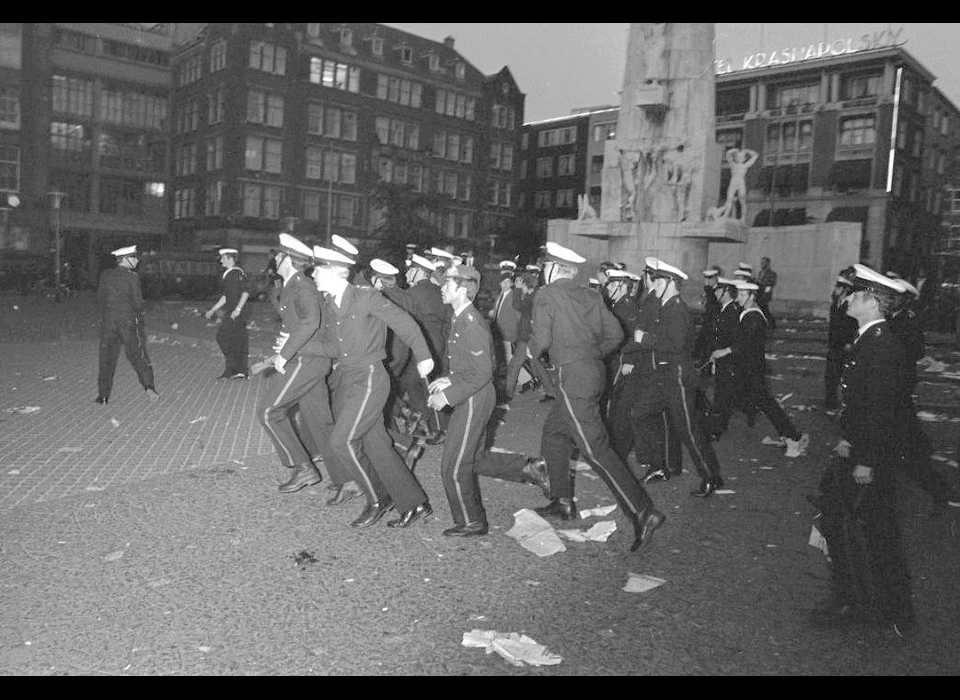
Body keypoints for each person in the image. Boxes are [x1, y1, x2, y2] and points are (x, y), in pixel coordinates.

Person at [525, 241, 666, 554]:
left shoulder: (547, 294)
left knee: (595, 448)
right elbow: (616, 335)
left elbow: (542, 340)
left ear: (553, 268)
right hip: (594, 373)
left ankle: (643, 511)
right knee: (555, 435)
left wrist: (531, 353)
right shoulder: (591, 294)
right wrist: (590, 356)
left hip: (572, 377)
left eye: (545, 266)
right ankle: (562, 501)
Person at [300, 245, 435, 529]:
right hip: (350, 379)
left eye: (319, 269)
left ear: (337, 271)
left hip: (371, 378)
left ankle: (378, 498)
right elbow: (332, 346)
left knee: (342, 441)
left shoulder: (367, 297)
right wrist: (293, 347)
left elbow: (406, 324)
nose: (314, 274)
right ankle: (415, 503)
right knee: (377, 444)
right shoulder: (330, 304)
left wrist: (423, 356)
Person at [811, 264, 914, 636]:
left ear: (872, 301)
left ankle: (887, 613)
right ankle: (853, 599)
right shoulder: (869, 338)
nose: (848, 298)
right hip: (856, 450)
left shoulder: (882, 344)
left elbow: (882, 409)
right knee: (844, 524)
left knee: (875, 535)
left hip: (869, 459)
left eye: (856, 294)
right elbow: (860, 404)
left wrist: (866, 459)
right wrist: (846, 437)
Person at [632, 260, 725, 497]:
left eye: (660, 280)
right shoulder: (664, 306)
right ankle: (658, 465)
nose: (656, 284)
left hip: (677, 378)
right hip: (663, 376)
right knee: (640, 413)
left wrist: (645, 339)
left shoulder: (677, 309)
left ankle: (710, 477)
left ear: (671, 283)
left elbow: (676, 344)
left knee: (688, 430)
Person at [256, 234, 337, 495]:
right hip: (311, 359)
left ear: (287, 258)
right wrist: (287, 336)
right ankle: (350, 478)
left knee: (269, 412)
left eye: (277, 256)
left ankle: (303, 468)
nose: (274, 260)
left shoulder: (301, 286)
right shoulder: (294, 284)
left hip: (305, 360)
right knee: (321, 422)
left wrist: (285, 353)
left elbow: (311, 321)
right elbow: (300, 321)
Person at [710, 279, 809, 457]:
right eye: (738, 293)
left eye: (742, 294)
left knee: (766, 404)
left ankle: (793, 436)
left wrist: (724, 351)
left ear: (752, 296)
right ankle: (790, 435)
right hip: (747, 369)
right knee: (758, 402)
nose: (738, 297)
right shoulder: (747, 312)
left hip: (752, 370)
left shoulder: (753, 315)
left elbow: (746, 343)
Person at [613, 258, 683, 484]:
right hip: (647, 362)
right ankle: (659, 462)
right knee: (645, 414)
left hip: (648, 364)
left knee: (637, 411)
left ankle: (657, 462)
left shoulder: (656, 302)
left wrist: (629, 353)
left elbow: (646, 335)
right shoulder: (652, 299)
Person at [95, 245, 159, 405]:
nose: (137, 260)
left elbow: (100, 298)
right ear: (126, 260)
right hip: (127, 322)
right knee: (137, 356)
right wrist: (140, 312)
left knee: (106, 359)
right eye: (134, 258)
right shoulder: (132, 277)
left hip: (108, 322)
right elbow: (138, 302)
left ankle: (103, 396)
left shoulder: (105, 275)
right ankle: (149, 387)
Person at [401, 254, 449, 441]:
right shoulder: (439, 291)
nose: (407, 273)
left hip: (419, 345)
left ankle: (436, 427)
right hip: (438, 342)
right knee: (424, 383)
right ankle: (426, 419)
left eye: (410, 270)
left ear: (418, 271)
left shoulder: (411, 294)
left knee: (420, 383)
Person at [504, 272, 555, 403]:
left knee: (514, 366)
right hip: (530, 337)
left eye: (523, 285)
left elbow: (518, 306)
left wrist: (517, 290)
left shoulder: (533, 298)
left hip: (527, 338)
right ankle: (551, 391)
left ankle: (507, 395)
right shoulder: (535, 296)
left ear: (527, 286)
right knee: (537, 364)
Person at [204, 247, 251, 380]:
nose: (221, 261)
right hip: (233, 311)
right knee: (237, 340)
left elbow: (245, 292)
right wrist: (213, 310)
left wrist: (237, 310)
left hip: (235, 312)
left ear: (231, 259)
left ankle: (233, 369)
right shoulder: (230, 273)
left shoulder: (235, 273)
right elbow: (226, 296)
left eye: (224, 258)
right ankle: (239, 371)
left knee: (223, 337)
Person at [705, 277, 741, 437]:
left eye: (719, 290)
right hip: (721, 357)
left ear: (726, 292)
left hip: (728, 360)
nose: (716, 292)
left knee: (723, 393)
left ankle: (717, 428)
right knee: (721, 391)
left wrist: (723, 351)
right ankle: (717, 426)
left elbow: (735, 338)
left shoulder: (732, 311)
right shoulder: (724, 309)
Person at [825, 272, 857, 410]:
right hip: (834, 344)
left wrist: (849, 342)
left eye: (839, 286)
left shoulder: (851, 306)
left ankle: (849, 403)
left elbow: (853, 326)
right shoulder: (835, 304)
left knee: (844, 376)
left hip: (845, 346)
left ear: (846, 289)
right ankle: (830, 399)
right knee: (830, 374)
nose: (835, 288)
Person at [724, 147, 759, 220]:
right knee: (729, 198)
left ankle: (743, 218)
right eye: (738, 156)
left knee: (742, 200)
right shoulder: (733, 164)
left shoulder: (745, 165)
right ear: (736, 158)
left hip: (741, 182)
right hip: (733, 181)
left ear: (744, 158)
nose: (740, 158)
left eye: (741, 156)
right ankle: (726, 214)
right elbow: (727, 154)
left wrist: (747, 150)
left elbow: (755, 156)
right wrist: (735, 150)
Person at [756, 257, 778, 330]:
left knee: (764, 310)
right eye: (761, 262)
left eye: (764, 262)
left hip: (765, 295)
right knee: (763, 309)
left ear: (768, 263)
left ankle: (771, 323)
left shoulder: (772, 273)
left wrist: (762, 285)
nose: (762, 264)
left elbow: (771, 283)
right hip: (759, 294)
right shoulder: (760, 272)